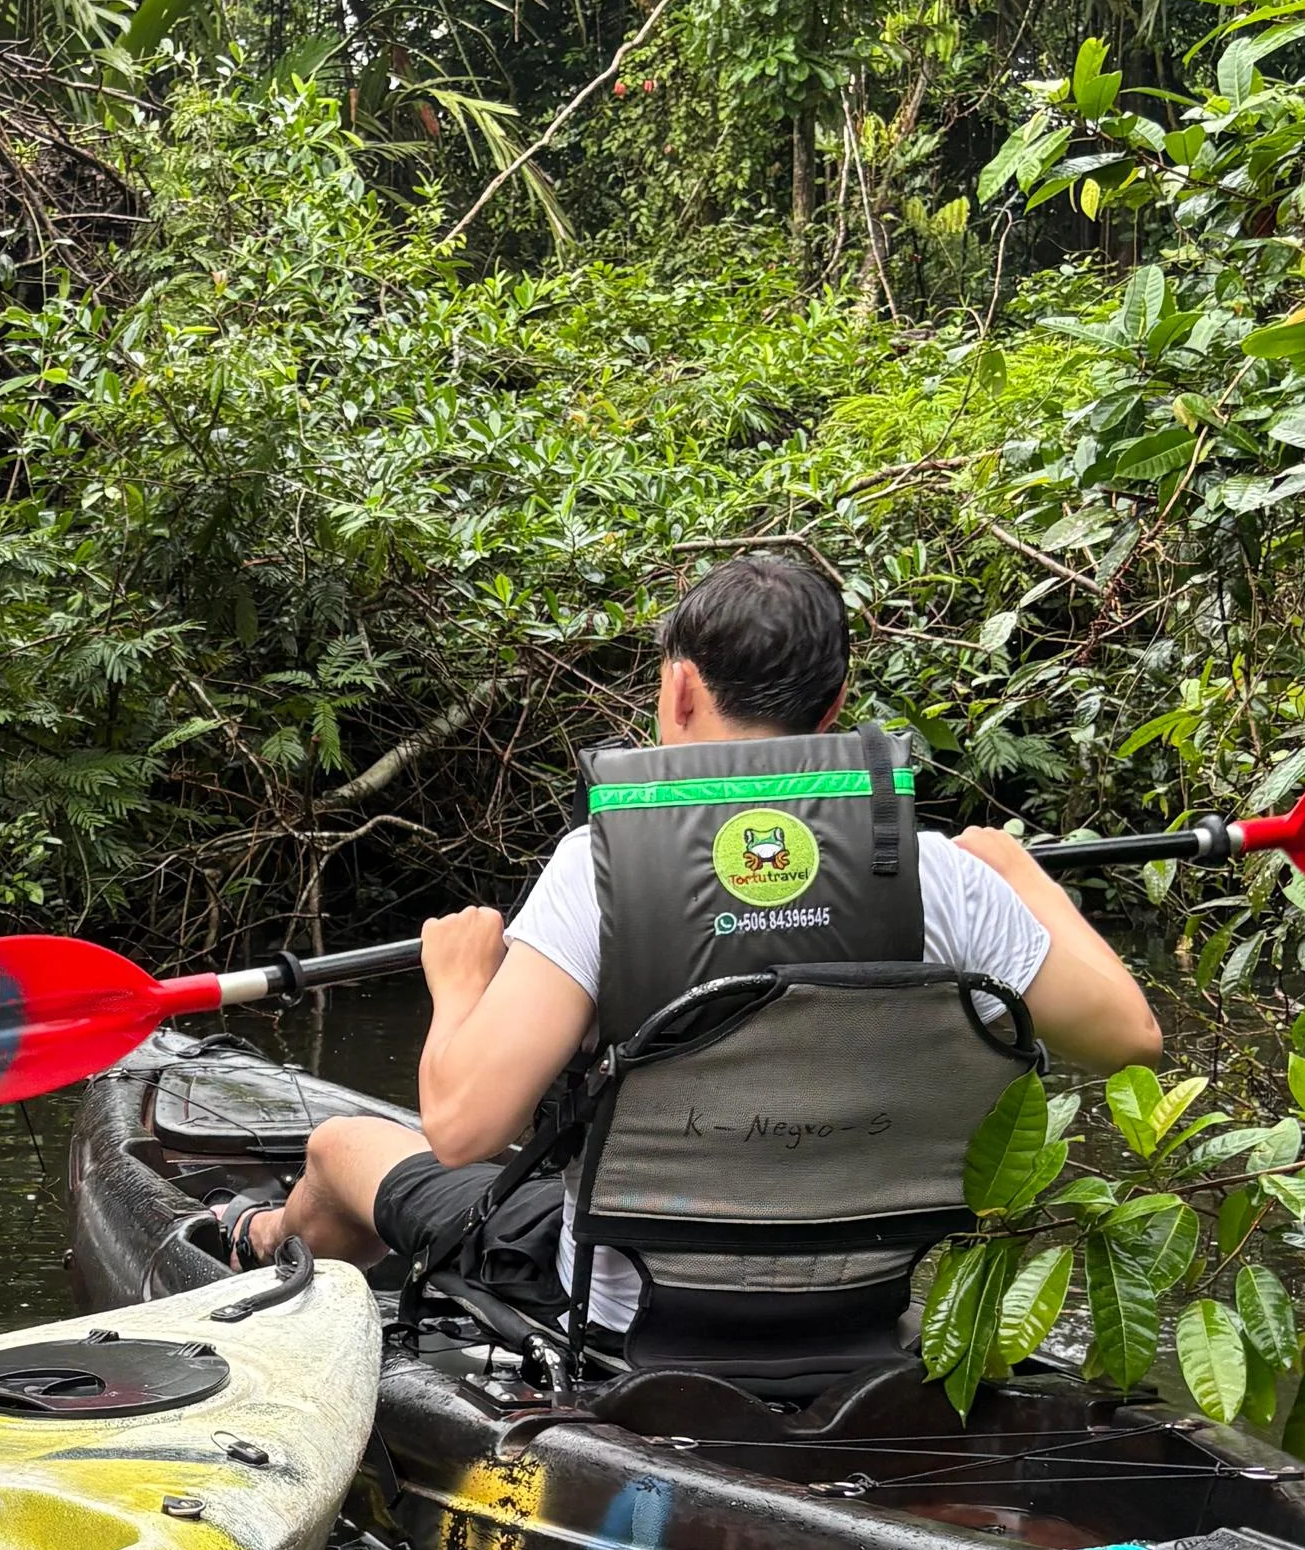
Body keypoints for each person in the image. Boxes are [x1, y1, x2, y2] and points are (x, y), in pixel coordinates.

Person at [230, 551, 1161, 1333]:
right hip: (865, 1303)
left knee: (345, 1143)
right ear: (835, 704)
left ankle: (267, 1243)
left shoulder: (601, 870)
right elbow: (1130, 1039)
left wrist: (459, 982)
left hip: (628, 1317)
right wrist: (1019, 872)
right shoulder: (941, 877)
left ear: (678, 688)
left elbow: (464, 1128)